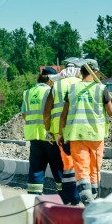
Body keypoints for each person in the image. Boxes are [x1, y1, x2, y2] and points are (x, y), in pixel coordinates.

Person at [58, 59, 112, 205]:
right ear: (95, 72)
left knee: (81, 168)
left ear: (81, 72)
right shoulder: (101, 89)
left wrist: (61, 134)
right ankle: (95, 199)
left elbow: (64, 115)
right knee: (95, 169)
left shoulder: (72, 89)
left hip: (76, 135)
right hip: (96, 135)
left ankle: (87, 199)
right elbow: (111, 112)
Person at [44, 59, 82, 205]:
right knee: (82, 164)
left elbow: (47, 110)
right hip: (80, 130)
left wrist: (48, 130)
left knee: (67, 167)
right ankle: (84, 194)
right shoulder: (82, 84)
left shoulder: (57, 85)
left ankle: (71, 198)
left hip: (61, 132)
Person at [23, 67, 63, 195]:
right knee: (58, 168)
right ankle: (65, 198)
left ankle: (33, 198)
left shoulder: (28, 92)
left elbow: (24, 114)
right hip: (50, 135)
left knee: (36, 168)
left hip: (34, 136)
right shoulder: (51, 92)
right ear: (51, 80)